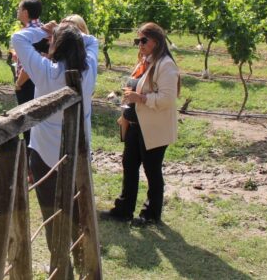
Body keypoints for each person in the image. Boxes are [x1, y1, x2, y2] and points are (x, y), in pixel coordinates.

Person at [10, 19, 98, 246]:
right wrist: (71, 33)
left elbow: (17, 38)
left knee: (51, 217)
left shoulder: (46, 72)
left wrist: (44, 30)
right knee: (78, 213)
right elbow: (93, 41)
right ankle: (81, 254)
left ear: (56, 47)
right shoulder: (88, 70)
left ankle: (60, 261)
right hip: (79, 153)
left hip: (44, 157)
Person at [106, 22, 180, 227]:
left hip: (153, 127)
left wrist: (140, 98)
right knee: (129, 166)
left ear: (156, 41)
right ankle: (124, 209)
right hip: (135, 124)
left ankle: (151, 214)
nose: (139, 44)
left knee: (152, 170)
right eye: (137, 40)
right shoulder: (145, 61)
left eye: (143, 40)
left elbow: (167, 99)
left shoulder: (166, 65)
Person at [13, 0, 44, 146]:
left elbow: (30, 66)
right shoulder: (43, 29)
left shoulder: (29, 34)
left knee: (28, 120)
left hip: (28, 83)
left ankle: (30, 154)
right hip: (40, 81)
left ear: (25, 12)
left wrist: (19, 83)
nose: (17, 11)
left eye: (19, 8)